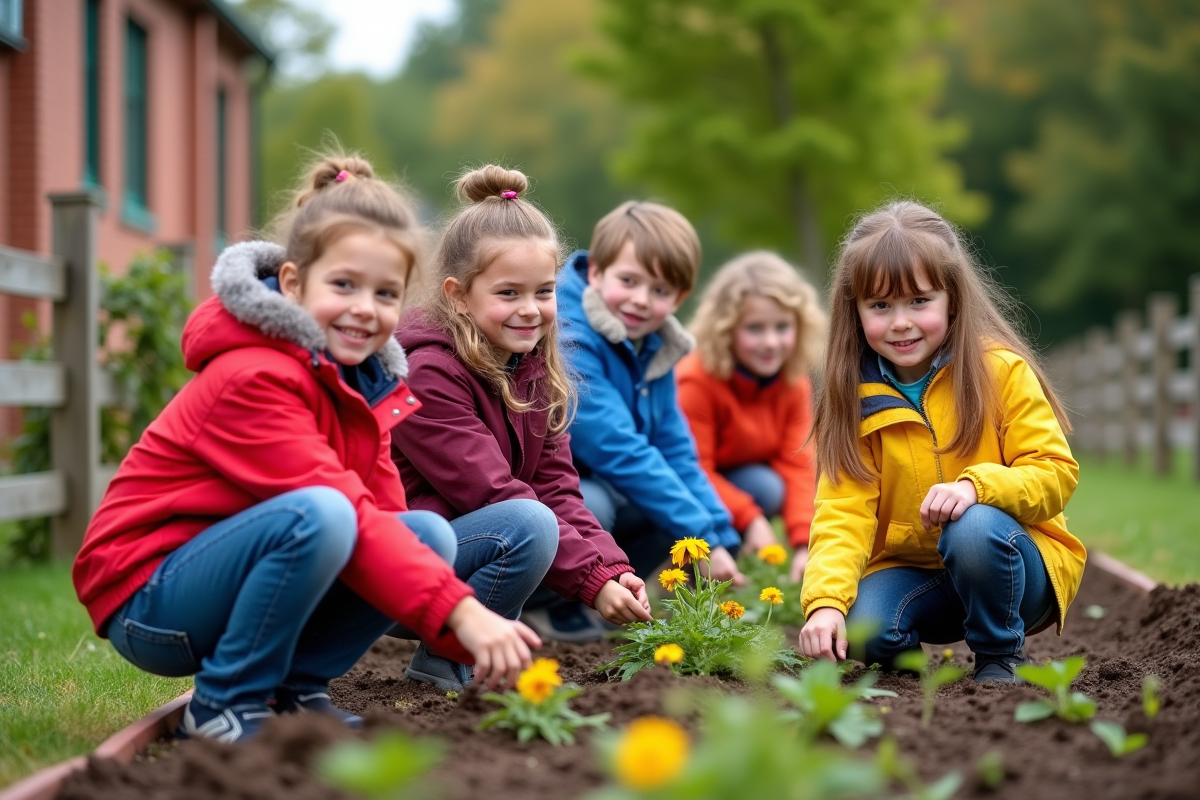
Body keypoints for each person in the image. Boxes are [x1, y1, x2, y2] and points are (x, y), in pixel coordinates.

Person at [72, 153, 540, 743]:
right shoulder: (254, 376)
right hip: (151, 599)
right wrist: (463, 612)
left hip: (229, 580)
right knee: (321, 512)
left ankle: (294, 691)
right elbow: (337, 505)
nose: (364, 309)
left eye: (385, 293)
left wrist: (457, 633)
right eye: (343, 285)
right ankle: (224, 704)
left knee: (426, 533)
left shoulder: (362, 383)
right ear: (293, 284)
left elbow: (386, 523)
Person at [797, 200, 1086, 683]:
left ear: (952, 297)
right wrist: (824, 603)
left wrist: (977, 488)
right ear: (856, 309)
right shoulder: (855, 399)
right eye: (880, 305)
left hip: (1013, 563)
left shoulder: (1000, 371)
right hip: (918, 574)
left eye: (919, 301)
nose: (901, 322)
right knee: (863, 626)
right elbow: (841, 512)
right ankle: (904, 669)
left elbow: (1055, 472)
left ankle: (999, 656)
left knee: (971, 529)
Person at [391, 166, 651, 659]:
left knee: (561, 511)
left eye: (544, 291)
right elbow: (490, 493)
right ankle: (457, 659)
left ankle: (460, 660)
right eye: (508, 293)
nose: (530, 309)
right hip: (399, 571)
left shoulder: (533, 367)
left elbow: (557, 486)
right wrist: (590, 581)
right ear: (459, 296)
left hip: (463, 549)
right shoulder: (427, 372)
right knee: (528, 523)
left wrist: (613, 570)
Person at [557, 200, 745, 598]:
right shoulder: (570, 337)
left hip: (605, 479)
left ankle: (610, 592)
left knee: (663, 495)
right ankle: (556, 602)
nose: (641, 300)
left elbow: (675, 448)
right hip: (550, 490)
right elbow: (617, 448)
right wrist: (700, 536)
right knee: (595, 505)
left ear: (679, 298)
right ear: (596, 272)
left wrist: (720, 535)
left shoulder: (655, 344)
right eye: (628, 281)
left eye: (659, 290)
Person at [677, 251, 825, 583]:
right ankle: (688, 575)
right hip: (691, 486)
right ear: (726, 329)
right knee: (762, 488)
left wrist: (805, 543)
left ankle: (728, 574)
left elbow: (798, 463)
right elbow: (692, 468)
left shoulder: (793, 382)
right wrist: (751, 519)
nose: (770, 342)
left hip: (741, 485)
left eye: (782, 327)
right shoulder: (696, 379)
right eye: (755, 329)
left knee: (768, 485)